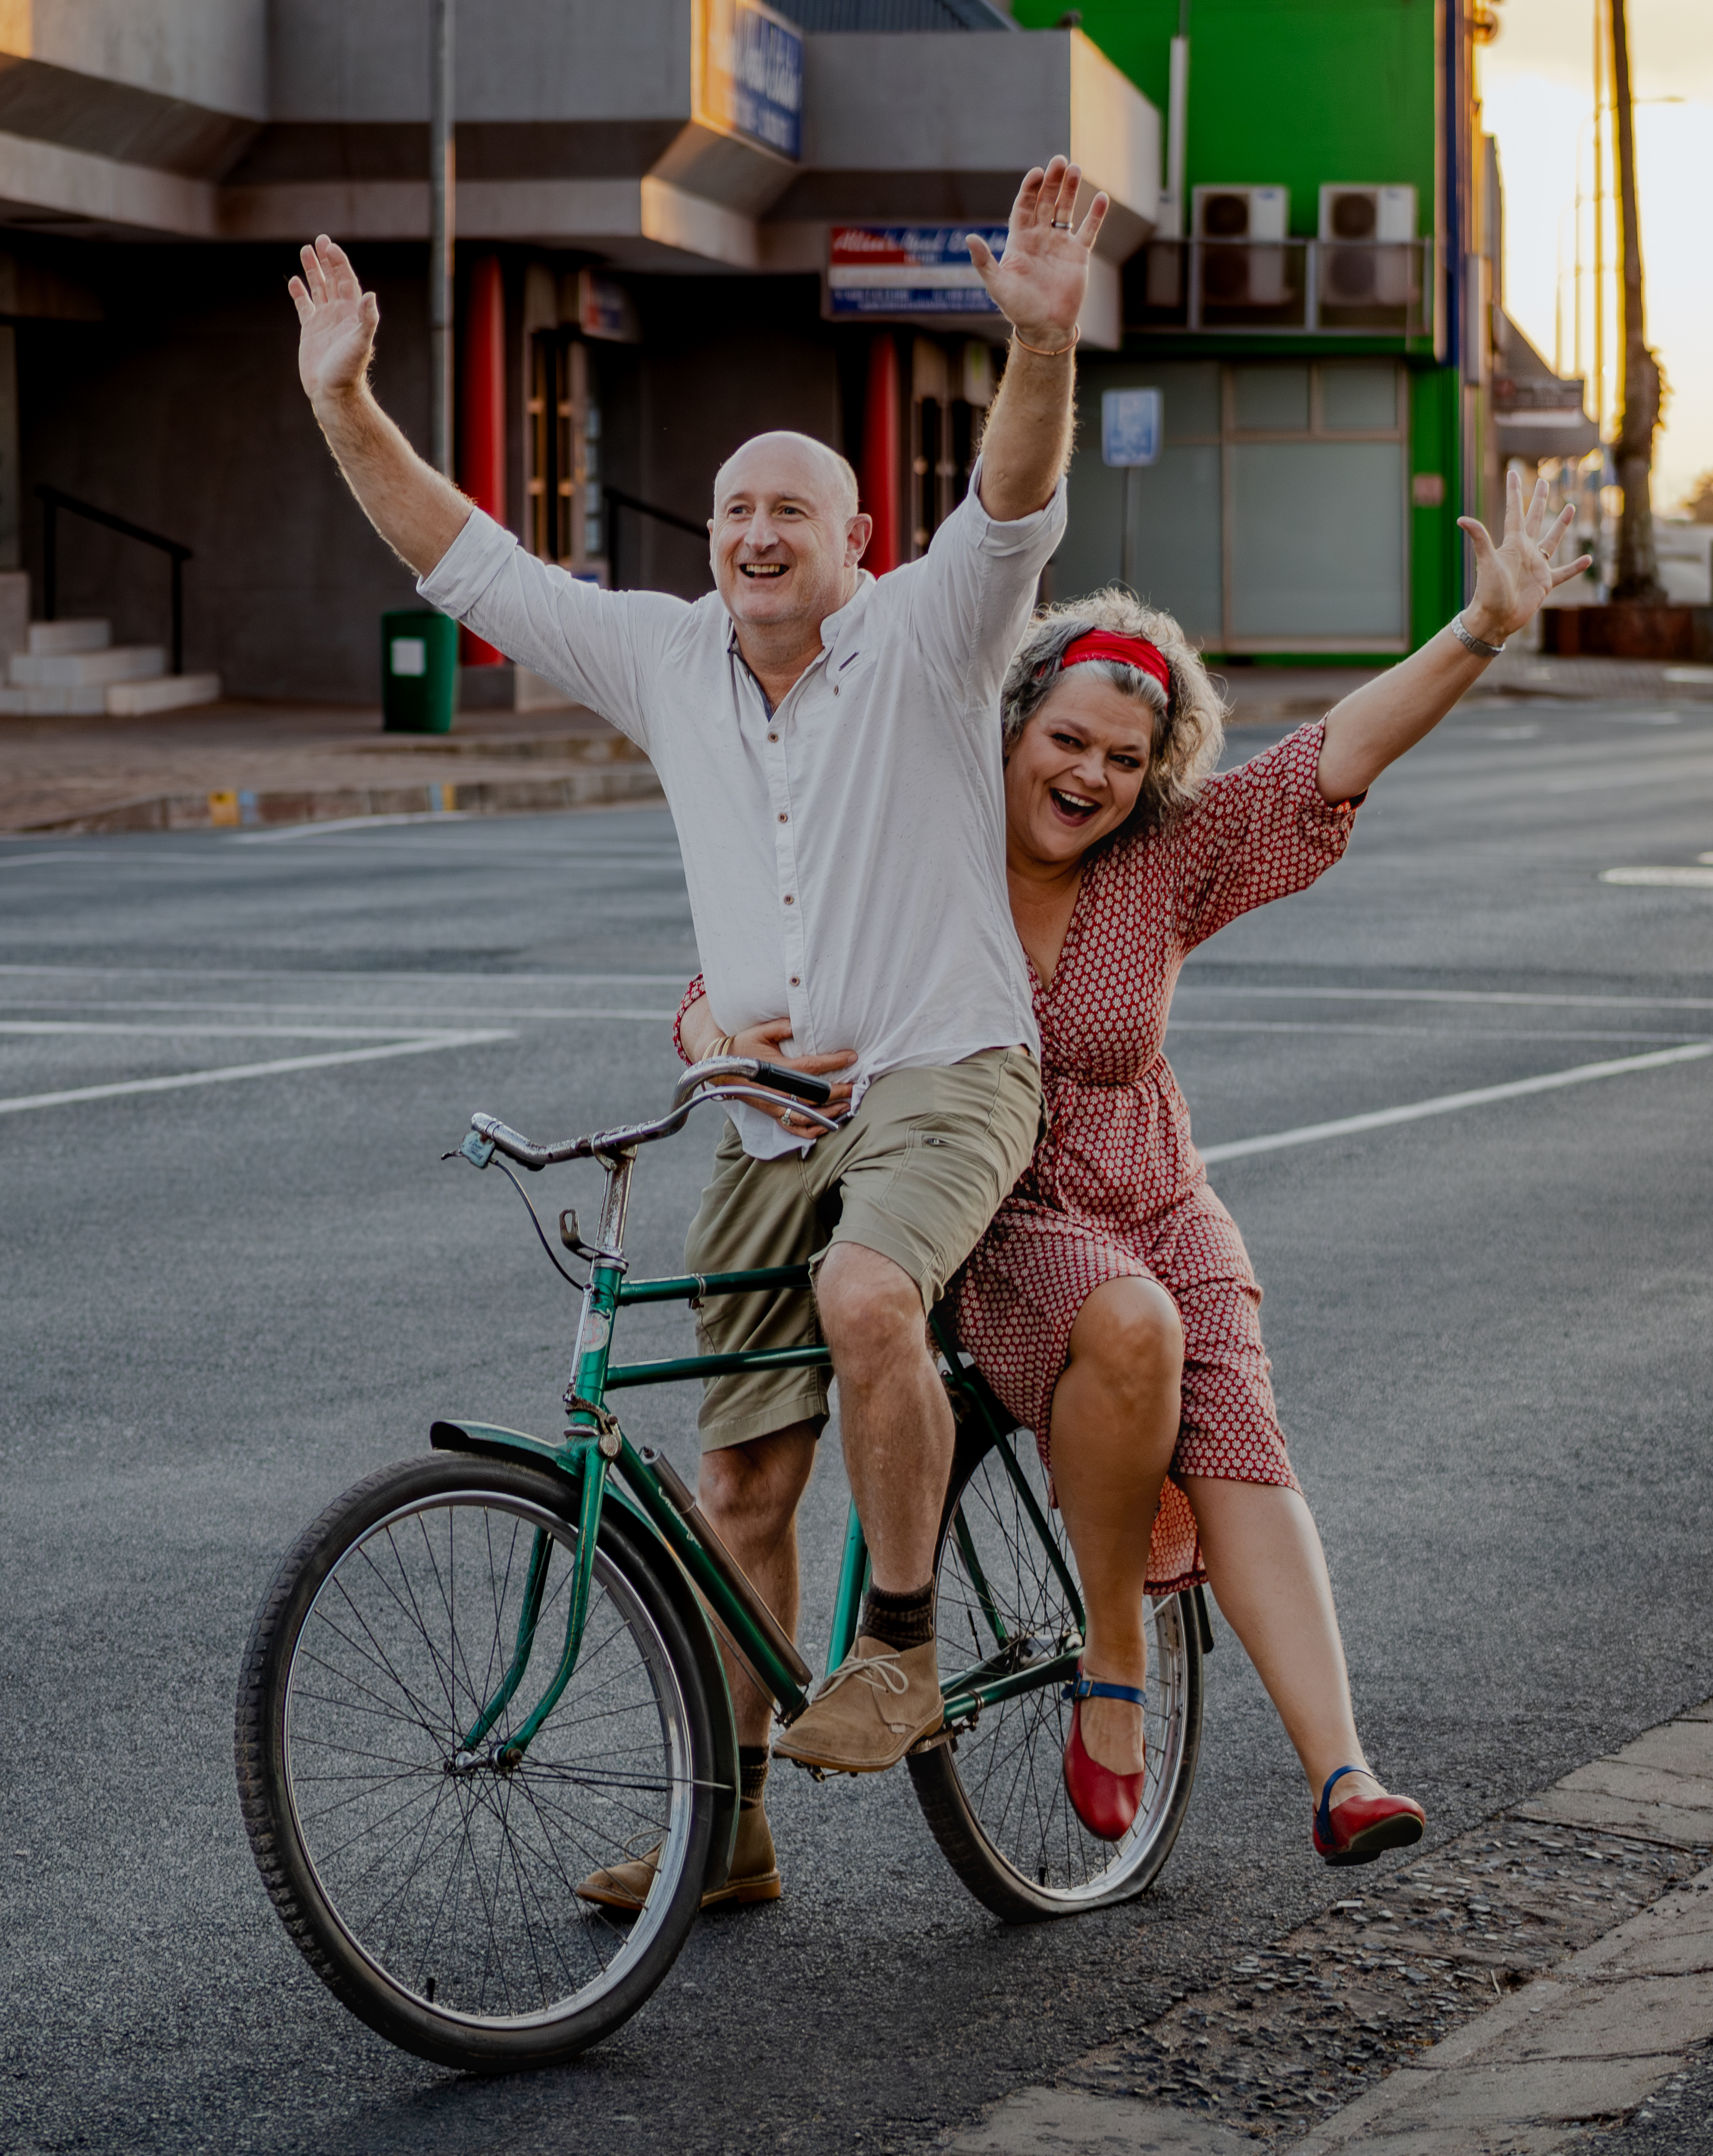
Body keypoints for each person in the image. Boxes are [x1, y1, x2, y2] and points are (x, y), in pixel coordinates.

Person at [287, 161, 1110, 1911]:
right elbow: (466, 559)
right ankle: (725, 1831)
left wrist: (1039, 342)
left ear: (857, 545)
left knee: (870, 1297)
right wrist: (347, 399)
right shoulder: (665, 658)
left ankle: (897, 1644)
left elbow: (1018, 500)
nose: (754, 536)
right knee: (738, 1476)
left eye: (791, 514)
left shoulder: (934, 636)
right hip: (762, 1117)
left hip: (948, 1073)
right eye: (735, 511)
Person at [677, 468, 1587, 1865]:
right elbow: (759, 947)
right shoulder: (923, 835)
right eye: (1067, 740)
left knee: (1235, 1420)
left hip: (1156, 1187)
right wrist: (708, 1024)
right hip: (1003, 1201)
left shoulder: (1166, 858)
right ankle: (1119, 1639)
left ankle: (1342, 1774)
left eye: (1121, 758)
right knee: (1130, 1323)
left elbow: (1328, 758)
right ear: (1010, 725)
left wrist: (1483, 630)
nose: (1089, 776)